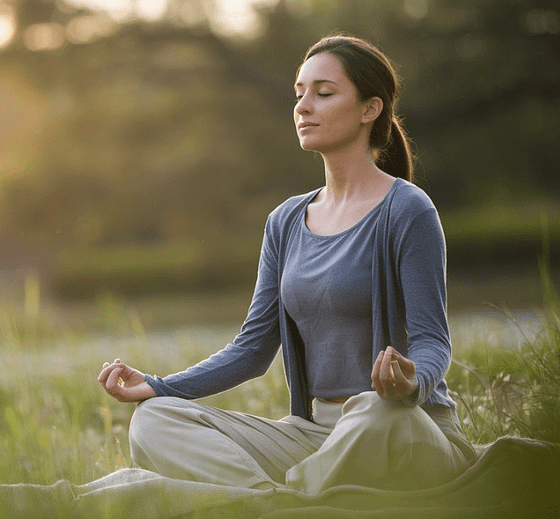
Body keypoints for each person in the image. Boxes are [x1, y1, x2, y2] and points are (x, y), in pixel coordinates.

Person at [97, 34, 477, 494]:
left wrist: (411, 384)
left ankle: (274, 496)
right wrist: (158, 386)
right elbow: (251, 349)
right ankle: (276, 501)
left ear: (369, 108)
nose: (303, 107)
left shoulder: (408, 210)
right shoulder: (285, 221)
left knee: (373, 411)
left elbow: (434, 341)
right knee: (153, 421)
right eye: (299, 94)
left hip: (401, 423)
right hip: (315, 436)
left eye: (323, 93)